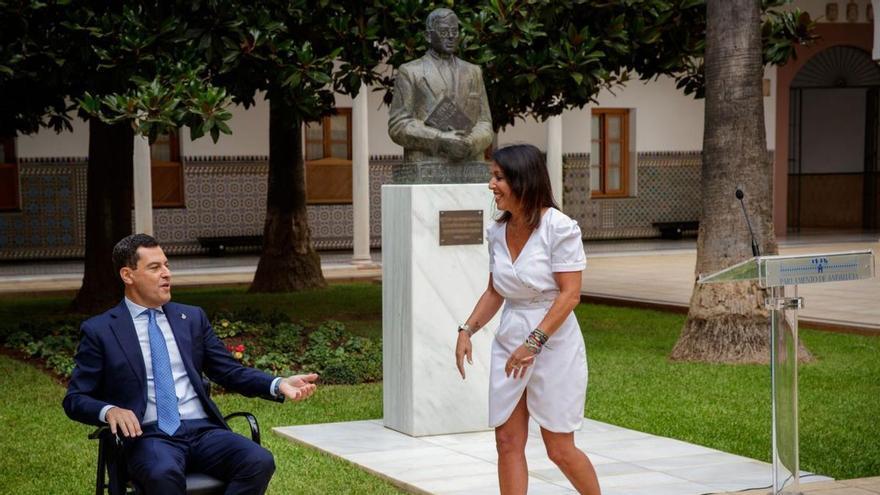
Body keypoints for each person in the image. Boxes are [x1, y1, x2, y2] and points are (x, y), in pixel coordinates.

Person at [63, 233, 319, 494]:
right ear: (128, 275)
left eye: (166, 265)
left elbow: (229, 371)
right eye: (155, 267)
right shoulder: (101, 330)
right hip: (150, 435)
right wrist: (109, 411)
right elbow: (75, 398)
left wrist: (278, 384)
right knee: (162, 473)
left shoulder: (191, 318)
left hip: (202, 431)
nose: (166, 273)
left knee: (259, 461)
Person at [454, 144, 601, 494]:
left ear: (523, 180)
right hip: (510, 340)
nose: (492, 184)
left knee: (559, 448)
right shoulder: (497, 231)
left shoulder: (559, 228)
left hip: (554, 343)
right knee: (506, 441)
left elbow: (570, 294)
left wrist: (533, 343)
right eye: (493, 176)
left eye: (499, 177)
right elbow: (495, 291)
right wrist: (467, 329)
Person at [388, 7, 493, 163]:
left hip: (469, 163)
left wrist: (471, 142)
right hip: (427, 163)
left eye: (455, 31)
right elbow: (398, 125)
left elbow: (485, 122)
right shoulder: (410, 72)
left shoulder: (473, 72)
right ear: (428, 36)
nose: (451, 36)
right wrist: (440, 139)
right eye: (444, 32)